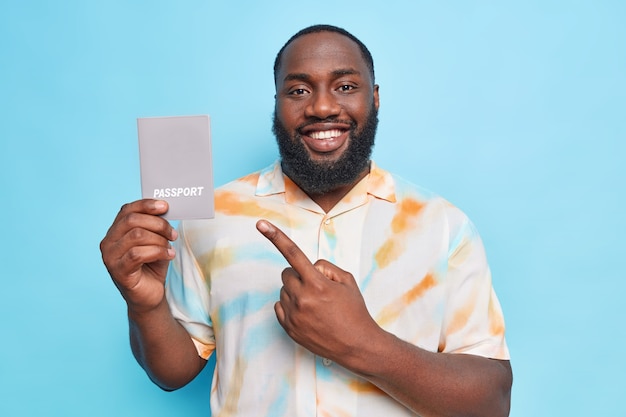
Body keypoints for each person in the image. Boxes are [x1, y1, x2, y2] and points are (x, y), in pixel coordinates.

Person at [100, 24, 512, 417]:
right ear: (277, 103)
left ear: (376, 98)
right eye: (298, 90)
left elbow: (490, 403)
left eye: (346, 87)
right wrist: (145, 306)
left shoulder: (442, 227)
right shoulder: (211, 217)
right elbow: (172, 372)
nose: (322, 106)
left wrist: (361, 344)